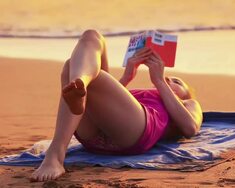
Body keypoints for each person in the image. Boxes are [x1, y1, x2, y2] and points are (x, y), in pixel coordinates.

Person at [30, 30, 203, 182]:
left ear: (184, 95)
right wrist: (126, 78)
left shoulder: (187, 103)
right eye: (167, 78)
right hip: (94, 133)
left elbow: (190, 128)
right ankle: (80, 85)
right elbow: (108, 102)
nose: (168, 79)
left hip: (134, 134)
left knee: (72, 66)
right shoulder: (137, 96)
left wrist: (159, 81)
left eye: (176, 82)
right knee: (91, 37)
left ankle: (55, 155)